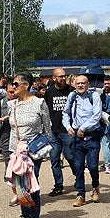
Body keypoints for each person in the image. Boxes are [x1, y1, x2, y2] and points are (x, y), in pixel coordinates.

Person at [4, 72, 52, 218]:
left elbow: (47, 128)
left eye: (16, 84)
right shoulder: (11, 104)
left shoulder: (39, 103)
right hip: (16, 151)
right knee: (20, 184)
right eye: (12, 84)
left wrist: (46, 148)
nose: (13, 87)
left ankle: (35, 215)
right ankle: (25, 213)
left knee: (32, 182)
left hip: (32, 151)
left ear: (26, 85)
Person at [62, 75, 104, 207]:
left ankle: (95, 187)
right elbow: (65, 113)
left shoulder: (94, 96)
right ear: (74, 84)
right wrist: (68, 127)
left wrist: (84, 128)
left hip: (92, 136)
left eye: (83, 83)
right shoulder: (72, 96)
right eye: (78, 83)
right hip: (77, 138)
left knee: (92, 166)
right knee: (78, 167)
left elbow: (97, 115)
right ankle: (80, 195)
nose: (80, 85)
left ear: (88, 84)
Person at [43, 67, 74, 196]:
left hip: (68, 131)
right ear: (54, 78)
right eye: (60, 76)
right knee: (54, 160)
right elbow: (45, 111)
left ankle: (78, 177)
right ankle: (58, 185)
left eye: (64, 76)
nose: (62, 78)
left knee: (70, 156)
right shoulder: (49, 92)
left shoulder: (71, 91)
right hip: (54, 132)